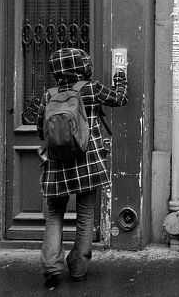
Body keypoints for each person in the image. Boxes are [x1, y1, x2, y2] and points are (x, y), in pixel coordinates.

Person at [37, 48, 128, 287]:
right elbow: (120, 99)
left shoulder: (49, 95)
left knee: (54, 214)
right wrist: (120, 77)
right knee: (85, 215)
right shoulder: (90, 88)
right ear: (82, 66)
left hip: (57, 163)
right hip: (88, 161)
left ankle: (51, 268)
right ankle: (78, 267)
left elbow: (40, 131)